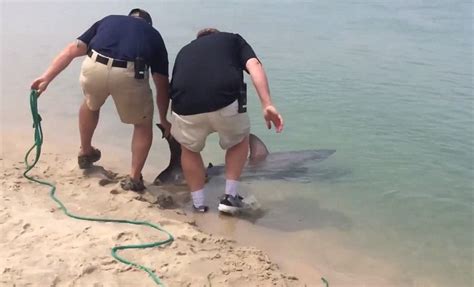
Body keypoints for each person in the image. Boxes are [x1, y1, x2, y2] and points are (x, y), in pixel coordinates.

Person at [30, 8, 171, 192]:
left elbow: (72, 50)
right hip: (128, 73)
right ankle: (134, 178)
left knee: (90, 105)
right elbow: (161, 84)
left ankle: (86, 151)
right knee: (142, 124)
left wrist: (46, 78)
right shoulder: (153, 35)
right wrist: (163, 119)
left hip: (94, 65)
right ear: (148, 24)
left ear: (128, 18)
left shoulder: (108, 20)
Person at [169, 28, 284, 214]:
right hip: (225, 101)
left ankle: (198, 204)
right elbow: (254, 65)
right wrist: (267, 103)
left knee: (189, 148)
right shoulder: (233, 39)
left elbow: (173, 84)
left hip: (184, 105)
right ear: (217, 35)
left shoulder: (185, 50)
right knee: (239, 140)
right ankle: (229, 197)